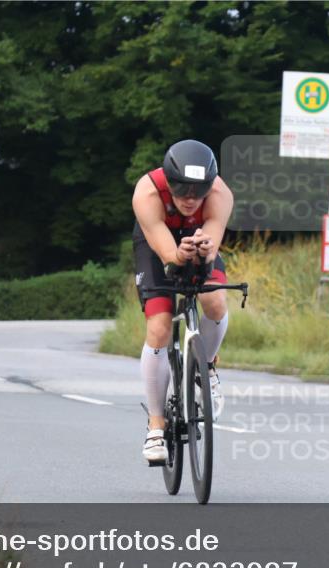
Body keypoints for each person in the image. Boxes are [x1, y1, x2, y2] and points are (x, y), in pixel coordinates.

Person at [132, 139, 233, 463]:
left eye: (197, 193)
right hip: (157, 243)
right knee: (160, 327)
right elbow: (167, 255)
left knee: (215, 302)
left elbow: (213, 244)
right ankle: (156, 426)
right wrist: (178, 254)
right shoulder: (147, 193)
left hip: (200, 241)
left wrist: (203, 251)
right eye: (182, 192)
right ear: (169, 182)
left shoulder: (220, 194)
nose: (191, 200)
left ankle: (208, 368)